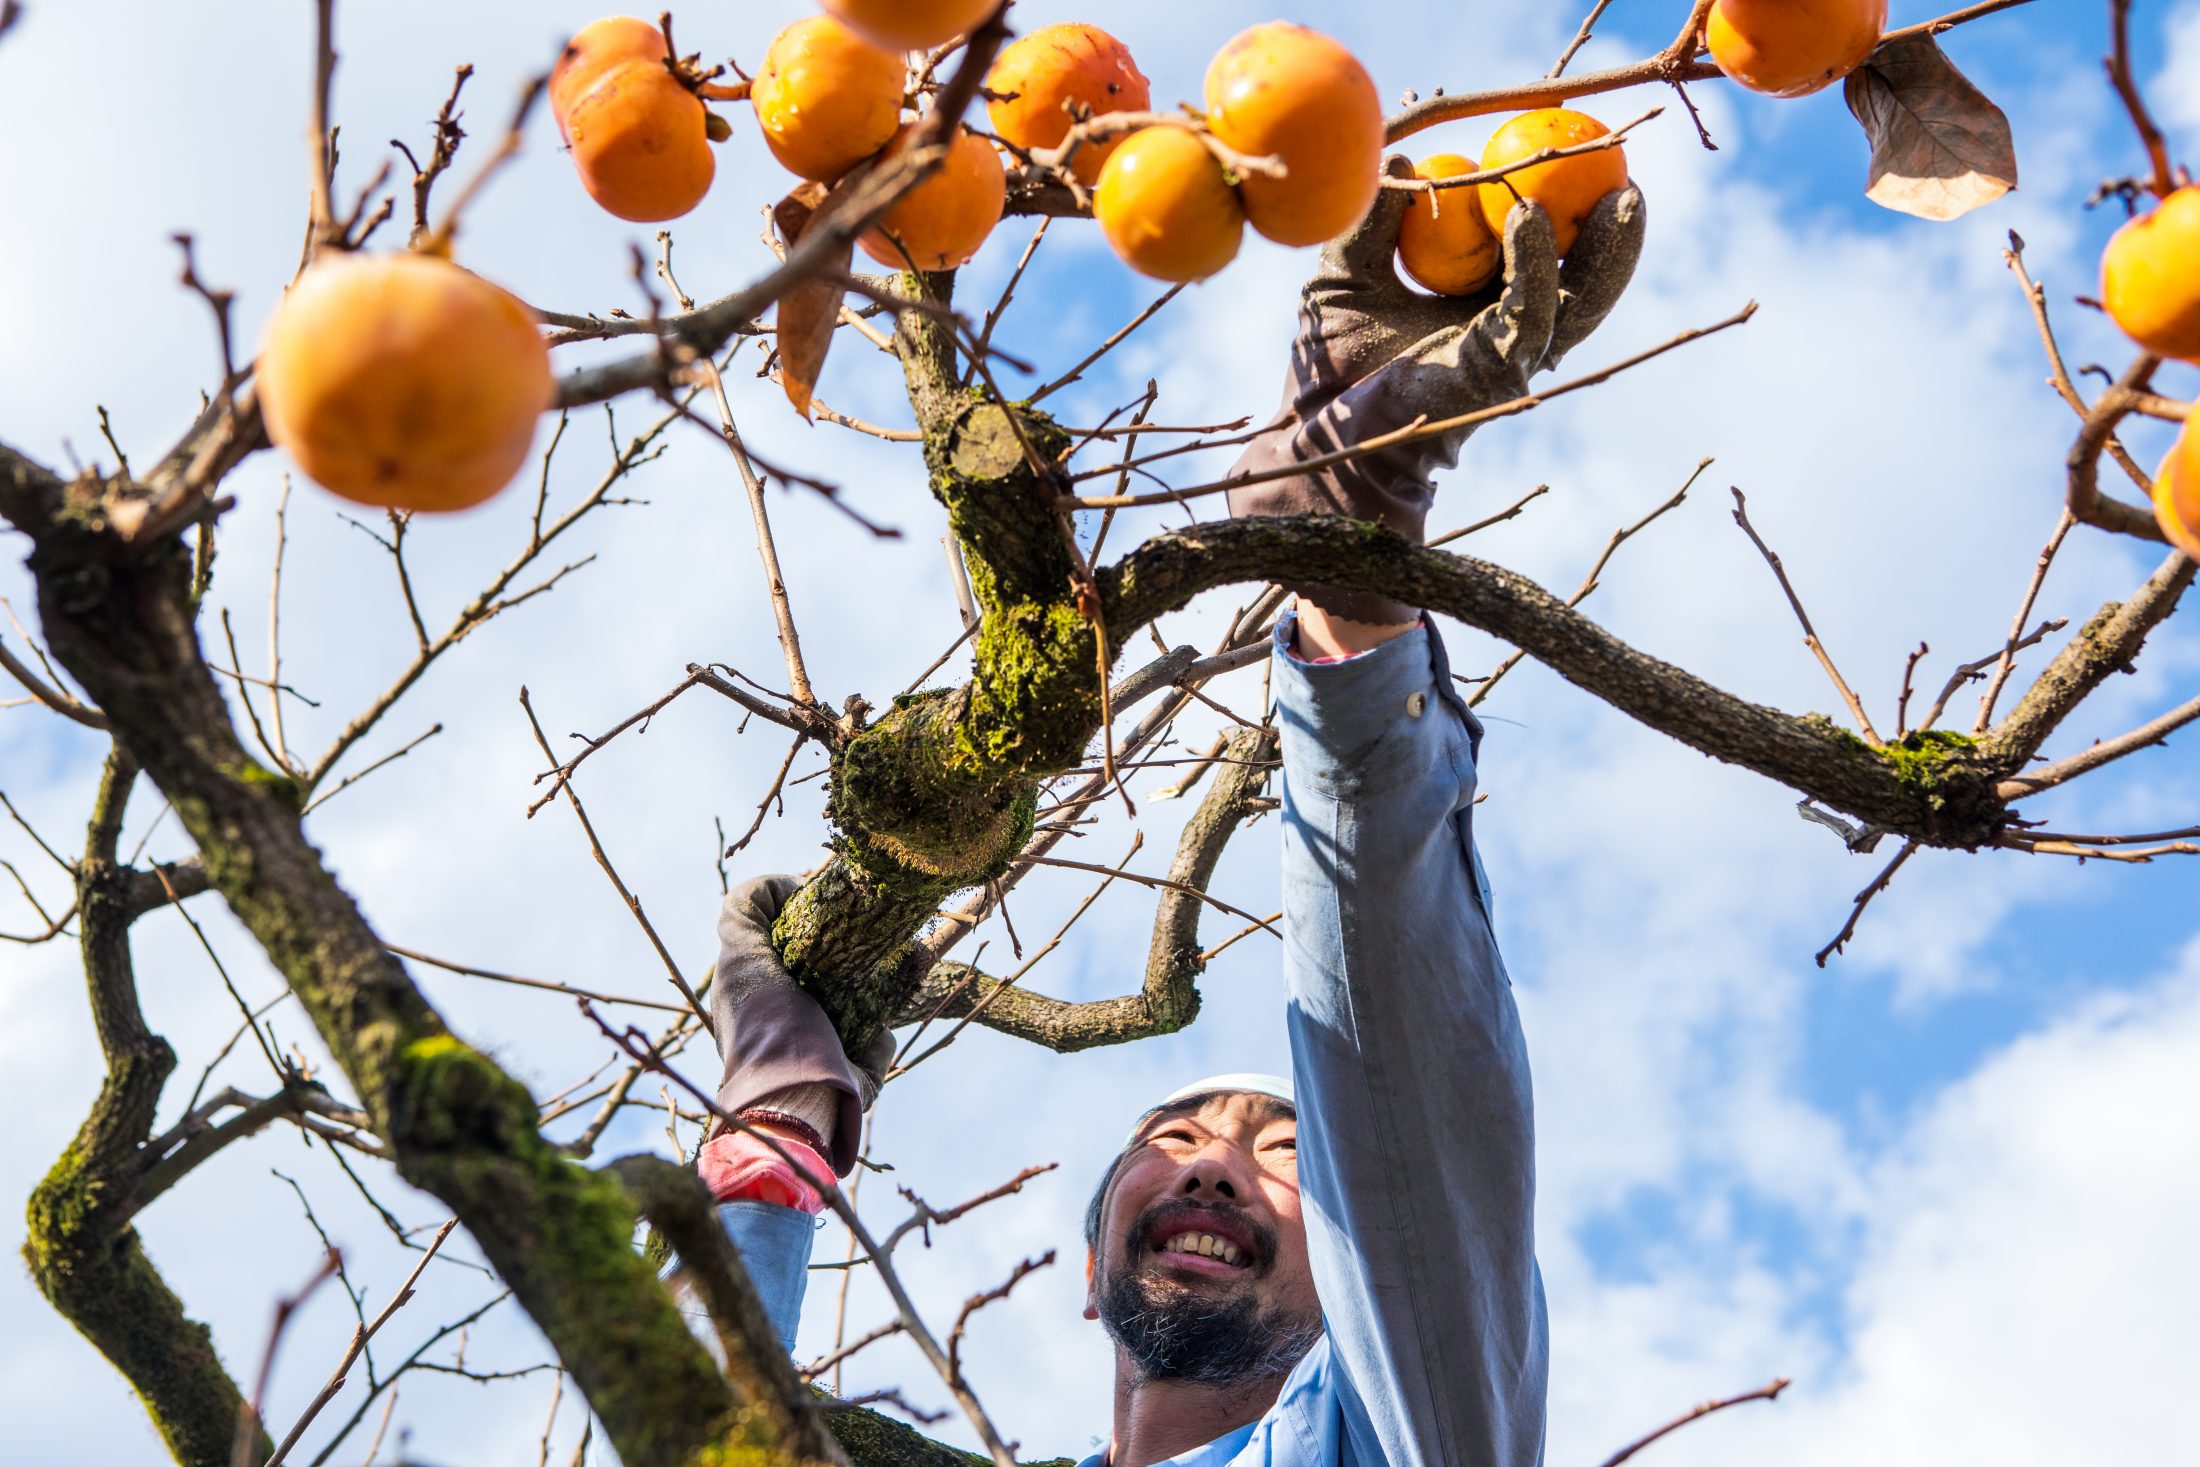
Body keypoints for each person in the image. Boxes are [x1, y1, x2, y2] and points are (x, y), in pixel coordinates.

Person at [690, 169, 1648, 1466]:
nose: (1211, 1167)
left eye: (1289, 1150)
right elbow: (696, 1427)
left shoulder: (1393, 1433)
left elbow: (1410, 1079)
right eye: (1173, 1140)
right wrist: (780, 1113)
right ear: (1091, 1271)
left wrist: (1345, 579)